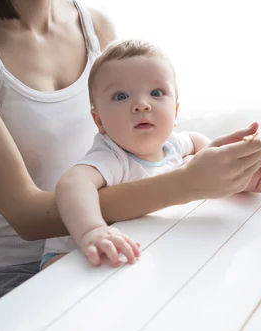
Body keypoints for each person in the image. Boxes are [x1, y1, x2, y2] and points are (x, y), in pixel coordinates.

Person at [0, 0, 261, 306]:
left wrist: (224, 171)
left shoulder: (95, 23)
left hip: (120, 235)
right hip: (27, 267)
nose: (142, 104)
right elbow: (28, 217)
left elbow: (131, 147)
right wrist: (188, 183)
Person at [42, 39, 213, 269]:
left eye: (156, 92)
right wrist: (92, 230)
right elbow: (72, 183)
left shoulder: (172, 145)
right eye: (121, 96)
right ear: (99, 120)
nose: (142, 105)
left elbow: (198, 141)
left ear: (175, 111)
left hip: (134, 246)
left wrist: (227, 160)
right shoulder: (112, 156)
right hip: (70, 255)